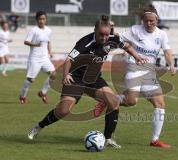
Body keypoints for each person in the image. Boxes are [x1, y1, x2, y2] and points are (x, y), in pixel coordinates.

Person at [27, 15, 147, 149]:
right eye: (101, 34)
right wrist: (66, 75)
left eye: (106, 34)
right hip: (76, 79)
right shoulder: (84, 43)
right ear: (95, 30)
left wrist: (137, 56)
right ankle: (39, 126)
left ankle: (108, 139)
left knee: (114, 102)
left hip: (94, 79)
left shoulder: (112, 39)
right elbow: (69, 60)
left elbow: (127, 46)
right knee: (63, 111)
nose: (104, 38)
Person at [93, 4, 176, 148]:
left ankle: (155, 140)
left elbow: (167, 51)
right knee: (131, 101)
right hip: (134, 67)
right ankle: (109, 100)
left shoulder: (161, 34)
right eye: (146, 21)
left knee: (160, 104)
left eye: (152, 21)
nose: (149, 23)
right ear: (142, 20)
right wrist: (111, 30)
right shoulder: (135, 30)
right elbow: (118, 36)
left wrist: (171, 64)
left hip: (149, 71)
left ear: (157, 20)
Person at [19, 11, 56, 104]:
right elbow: (26, 42)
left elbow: (48, 42)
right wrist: (35, 44)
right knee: (30, 80)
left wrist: (50, 52)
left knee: (54, 75)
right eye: (40, 19)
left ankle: (42, 92)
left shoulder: (48, 30)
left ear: (46, 20)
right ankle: (22, 97)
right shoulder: (33, 30)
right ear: (37, 20)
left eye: (43, 19)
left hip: (44, 58)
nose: (42, 21)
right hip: (34, 58)